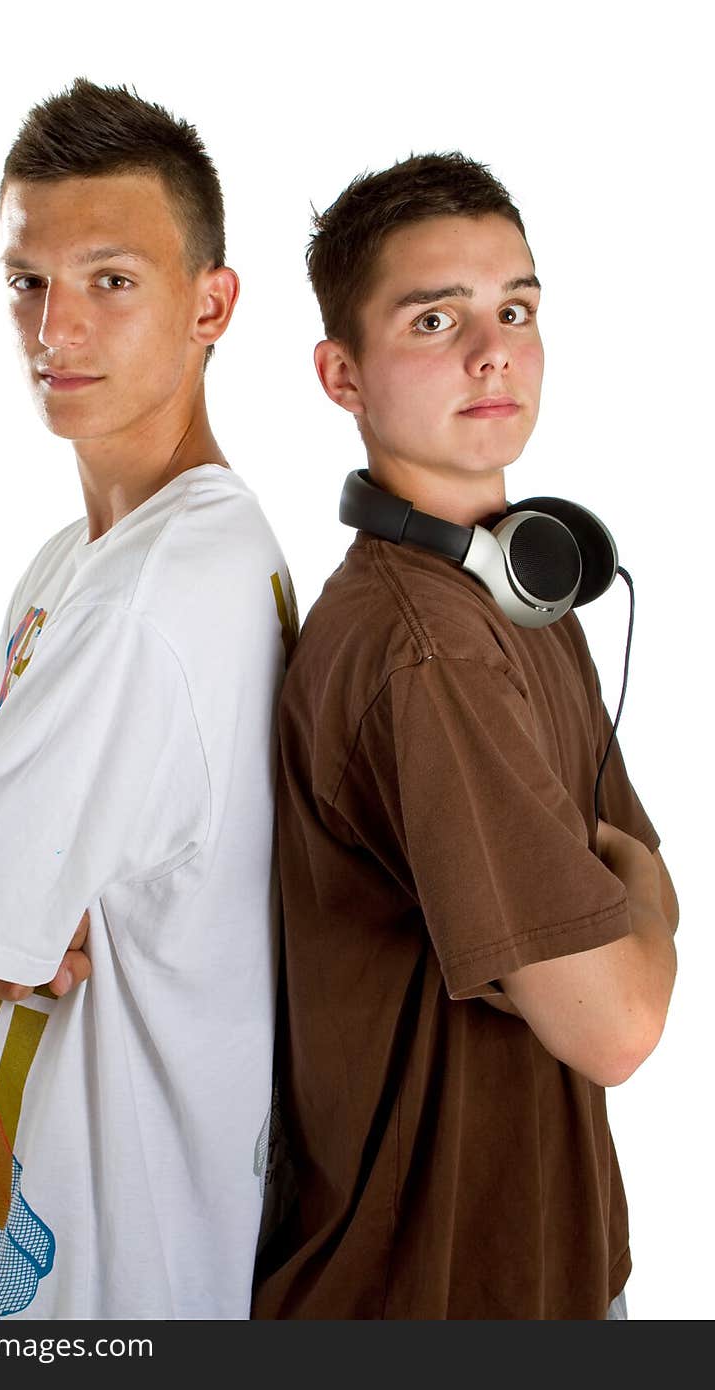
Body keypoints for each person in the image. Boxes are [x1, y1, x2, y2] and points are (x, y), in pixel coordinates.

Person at [0, 77, 294, 1321]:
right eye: (28, 282)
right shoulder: (81, 560)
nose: (57, 327)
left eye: (112, 280)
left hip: (117, 1293)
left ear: (211, 302)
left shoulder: (149, 604)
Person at [252, 153, 679, 1320]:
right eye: (434, 318)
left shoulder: (520, 590)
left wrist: (620, 915)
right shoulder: (425, 652)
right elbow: (619, 1020)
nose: (492, 350)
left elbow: (632, 898)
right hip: (430, 1299)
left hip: (548, 1271)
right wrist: (624, 910)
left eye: (516, 309)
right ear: (341, 374)